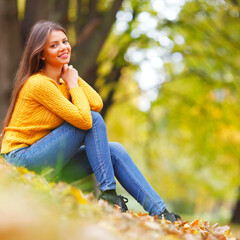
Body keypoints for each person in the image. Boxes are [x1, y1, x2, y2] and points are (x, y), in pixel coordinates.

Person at [0, 21, 180, 222]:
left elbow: (96, 102)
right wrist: (73, 84)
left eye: (65, 41)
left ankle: (161, 212)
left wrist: (72, 81)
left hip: (47, 159)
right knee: (92, 120)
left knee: (115, 151)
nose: (63, 47)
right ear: (41, 54)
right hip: (20, 160)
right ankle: (108, 193)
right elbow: (87, 121)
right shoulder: (38, 84)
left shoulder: (64, 80)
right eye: (54, 45)